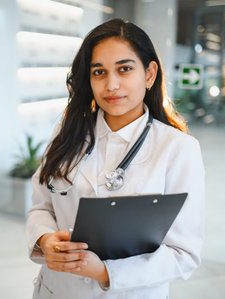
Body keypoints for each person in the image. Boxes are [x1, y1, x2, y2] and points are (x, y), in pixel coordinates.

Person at [26, 18, 205, 299]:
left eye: (124, 69)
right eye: (99, 72)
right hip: (57, 289)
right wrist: (46, 240)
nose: (111, 84)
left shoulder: (178, 149)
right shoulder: (68, 131)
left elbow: (183, 254)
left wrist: (105, 272)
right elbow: (40, 206)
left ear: (149, 74)